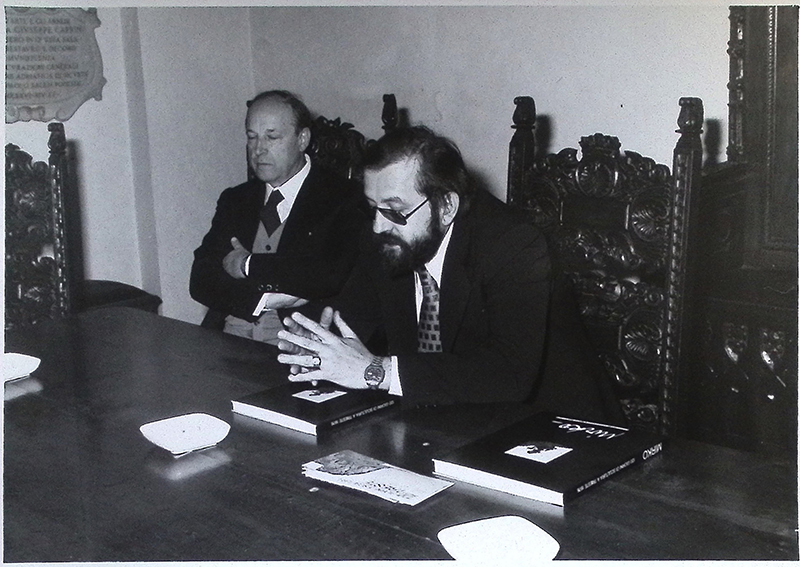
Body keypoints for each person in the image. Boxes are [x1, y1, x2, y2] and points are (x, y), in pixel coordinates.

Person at [277, 126, 622, 423]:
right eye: (372, 209)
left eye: (394, 210)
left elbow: (509, 374)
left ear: (446, 206)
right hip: (445, 420)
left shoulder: (514, 244)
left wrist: (375, 371)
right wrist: (317, 347)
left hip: (551, 427)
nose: (379, 225)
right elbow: (355, 313)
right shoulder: (390, 234)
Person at [190, 90, 368, 344]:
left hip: (302, 349)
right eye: (252, 137)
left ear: (302, 139)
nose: (258, 149)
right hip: (228, 344)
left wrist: (245, 265)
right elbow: (200, 279)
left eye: (271, 137)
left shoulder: (343, 197)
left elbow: (326, 274)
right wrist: (263, 301)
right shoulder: (235, 199)